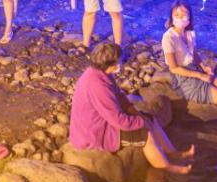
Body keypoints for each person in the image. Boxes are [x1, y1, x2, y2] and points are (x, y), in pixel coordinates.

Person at [70, 42, 194, 174]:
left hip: (103, 121)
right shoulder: (97, 86)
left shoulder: (101, 74)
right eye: (118, 62)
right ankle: (167, 167)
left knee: (150, 118)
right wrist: (141, 123)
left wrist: (134, 111)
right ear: (110, 64)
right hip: (95, 133)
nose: (121, 64)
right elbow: (118, 121)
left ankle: (172, 153)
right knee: (145, 134)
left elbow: (119, 94)